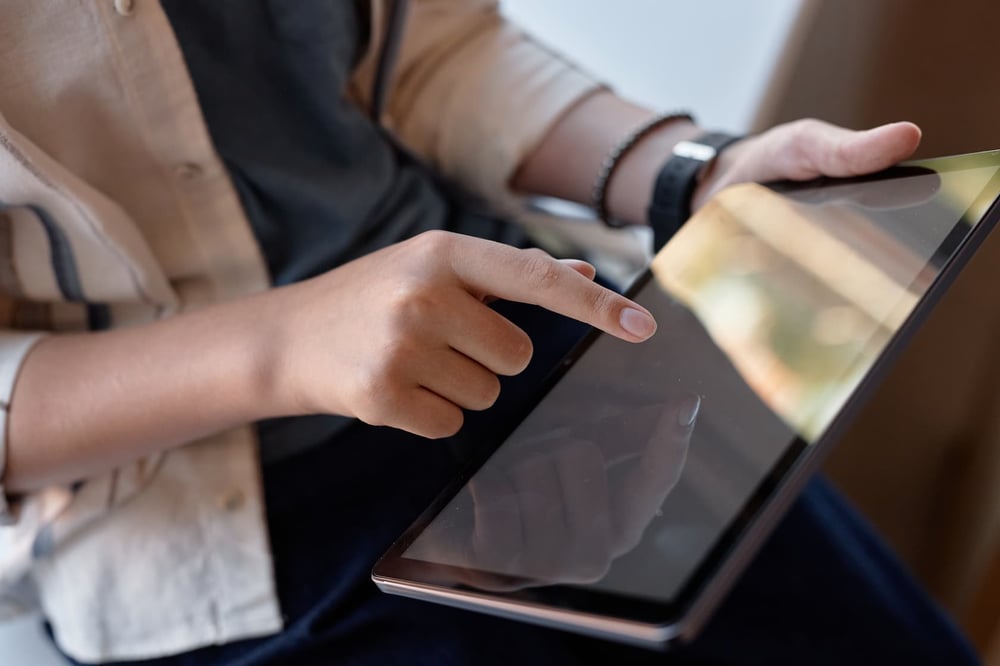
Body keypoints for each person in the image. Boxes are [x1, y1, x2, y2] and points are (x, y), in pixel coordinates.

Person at [0, 1, 975, 664]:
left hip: (548, 357)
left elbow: (426, 53)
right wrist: (284, 347)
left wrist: (691, 174)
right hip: (226, 552)